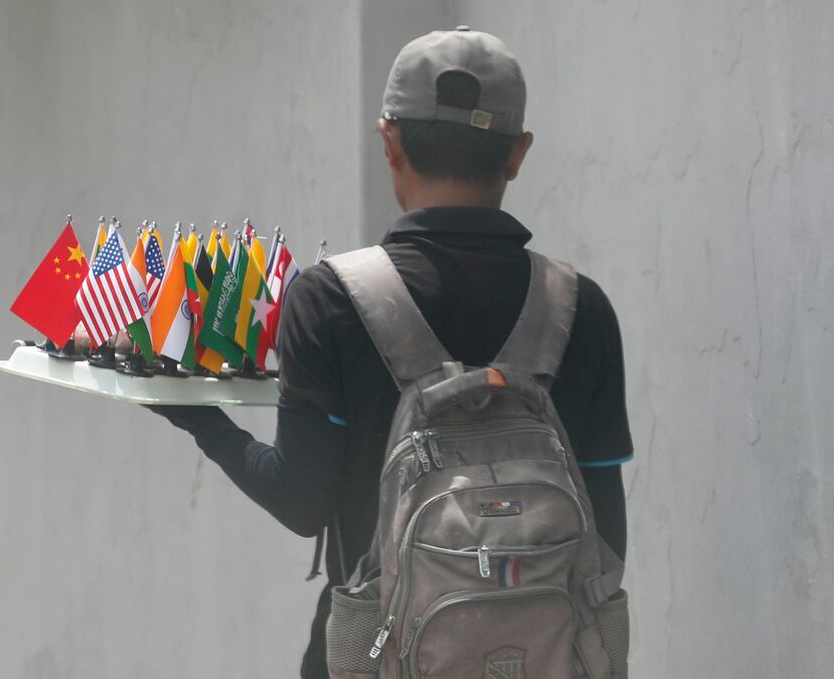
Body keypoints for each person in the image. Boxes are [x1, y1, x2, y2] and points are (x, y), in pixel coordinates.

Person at [149, 26, 633, 679]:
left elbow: (301, 500)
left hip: (373, 658)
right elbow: (605, 535)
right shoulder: (581, 307)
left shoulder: (331, 301)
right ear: (517, 154)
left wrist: (195, 415)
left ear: (390, 140)